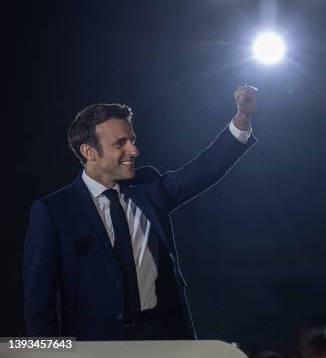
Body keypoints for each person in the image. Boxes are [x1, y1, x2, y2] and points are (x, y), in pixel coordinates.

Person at [23, 86, 257, 340]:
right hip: (95, 347)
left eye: (132, 140)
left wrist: (242, 119)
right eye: (120, 143)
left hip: (161, 335)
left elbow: (202, 171)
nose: (134, 150)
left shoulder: (148, 187)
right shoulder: (54, 211)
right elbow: (40, 303)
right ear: (88, 152)